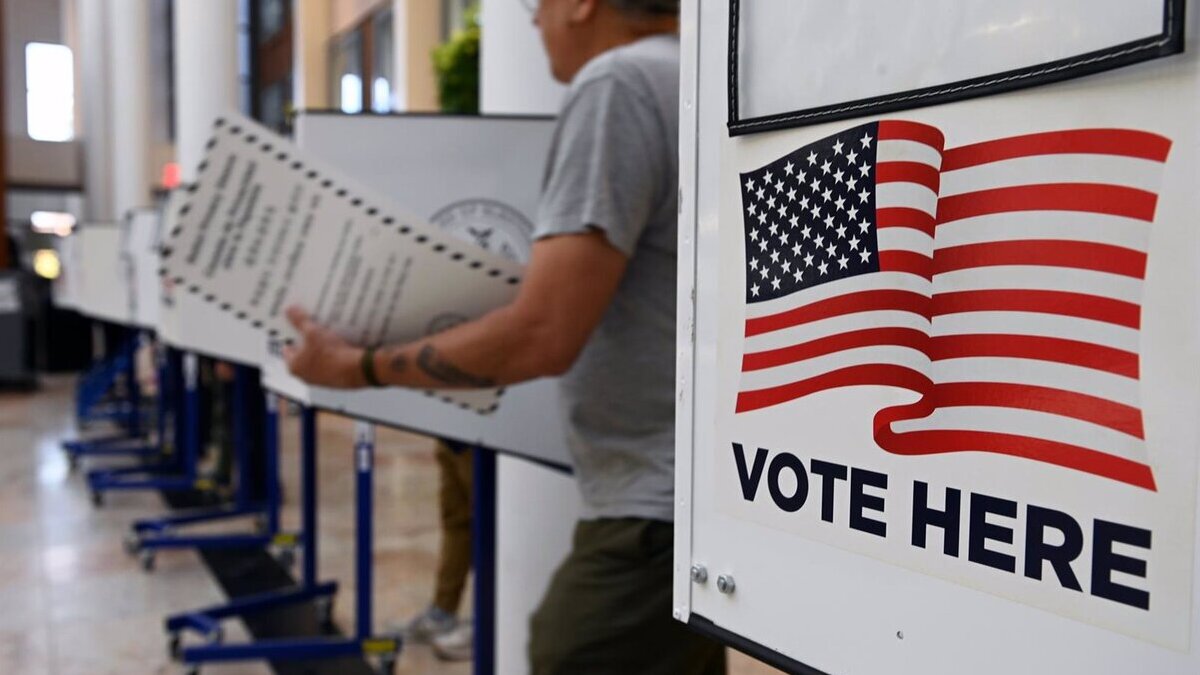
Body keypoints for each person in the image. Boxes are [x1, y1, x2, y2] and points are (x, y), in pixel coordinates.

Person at [283, 0, 725, 672]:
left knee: (565, 650)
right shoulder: (693, 74)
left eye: (536, 2)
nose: (531, 21)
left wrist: (358, 367)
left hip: (652, 509)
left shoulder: (618, 85)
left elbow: (543, 332)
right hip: (694, 494)